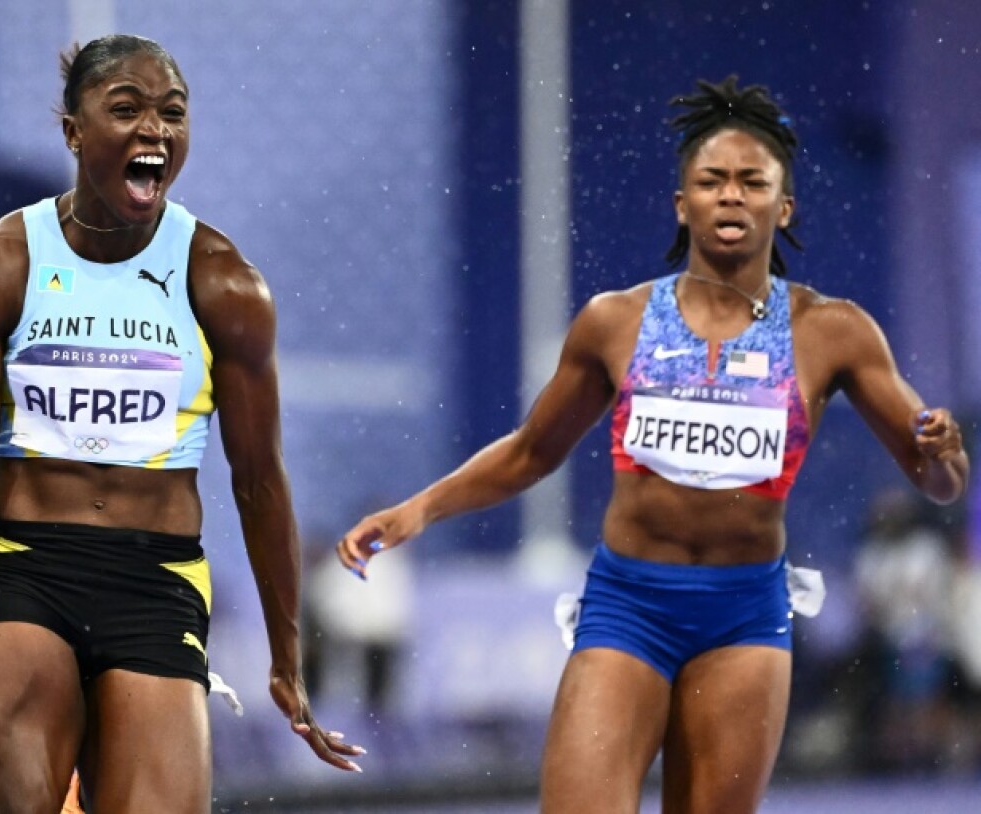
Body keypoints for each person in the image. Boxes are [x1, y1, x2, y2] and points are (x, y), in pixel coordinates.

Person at [337, 75, 968, 813]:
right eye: (711, 181)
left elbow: (940, 482)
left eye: (751, 182)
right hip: (629, 604)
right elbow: (532, 450)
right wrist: (417, 511)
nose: (731, 196)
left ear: (784, 206)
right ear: (683, 203)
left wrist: (945, 450)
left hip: (742, 617)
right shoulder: (615, 322)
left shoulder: (834, 332)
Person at [0, 33, 363, 813]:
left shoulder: (223, 284)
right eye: (127, 109)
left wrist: (288, 658)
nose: (155, 130)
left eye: (172, 113)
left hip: (157, 581)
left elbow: (259, 481)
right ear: (74, 131)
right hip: (25, 570)